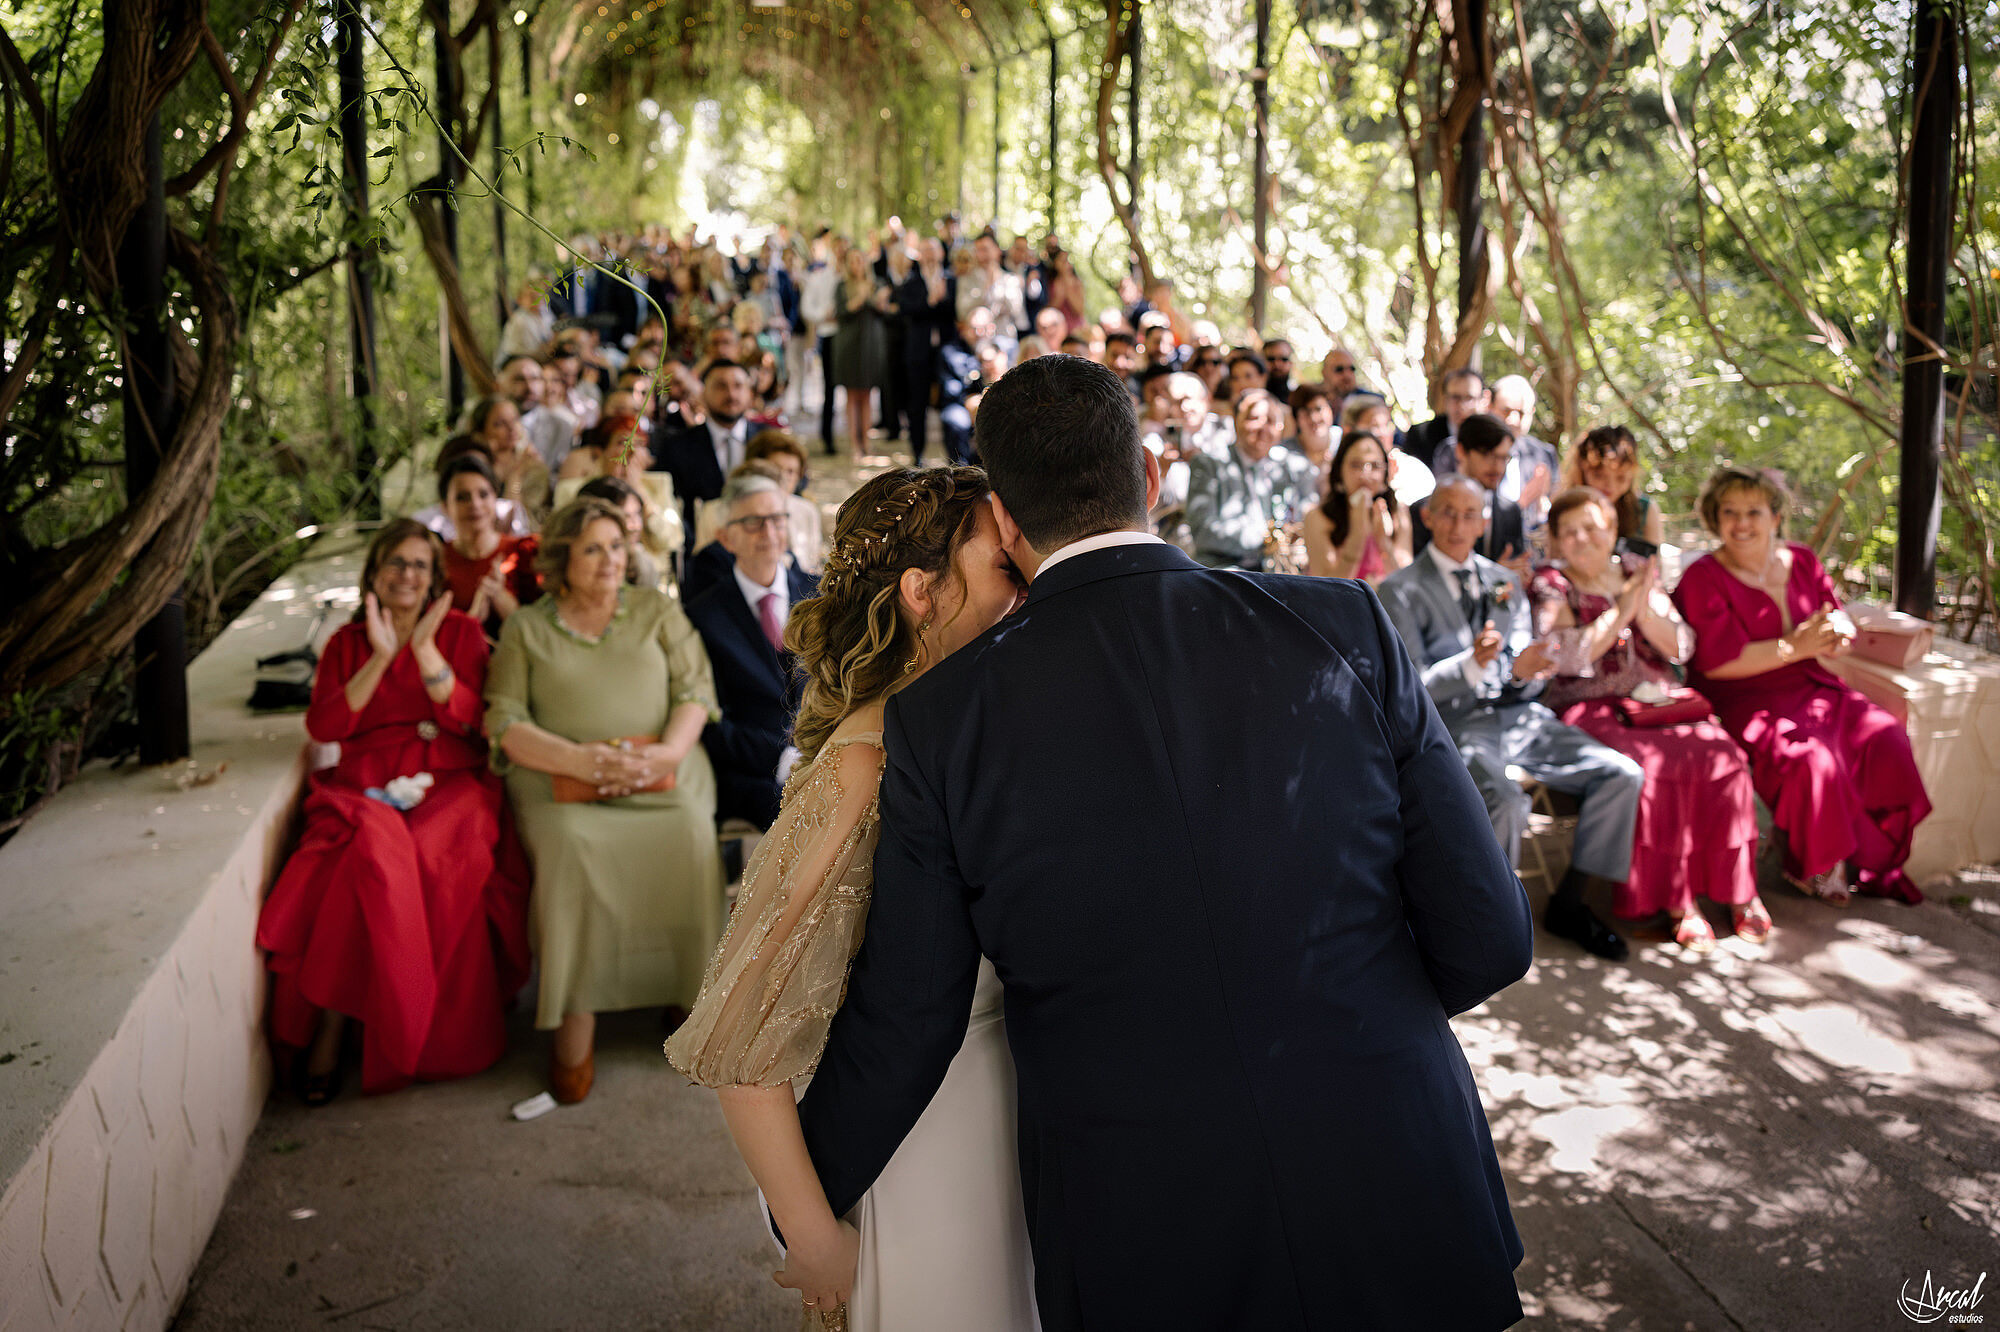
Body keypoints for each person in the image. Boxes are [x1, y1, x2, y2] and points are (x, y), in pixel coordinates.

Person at [793, 356, 1532, 1330]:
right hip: (1397, 1164)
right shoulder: (1340, 624)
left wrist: (796, 1205)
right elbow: (1488, 936)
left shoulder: (938, 722)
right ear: (1148, 473)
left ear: (1007, 524)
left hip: (1139, 1222)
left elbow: (907, 1018)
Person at [257, 521, 530, 1101]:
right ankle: (336, 1025)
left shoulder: (459, 632)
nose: (407, 575)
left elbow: (476, 721)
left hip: (453, 779)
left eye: (420, 566)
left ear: (434, 579)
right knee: (366, 857)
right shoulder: (348, 643)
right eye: (396, 563)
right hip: (364, 784)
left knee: (440, 857)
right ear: (375, 573)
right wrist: (382, 657)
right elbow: (327, 726)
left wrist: (427, 654)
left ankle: (407, 1034)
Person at [484, 498, 727, 1103]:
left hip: (660, 773)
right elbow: (504, 719)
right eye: (592, 548)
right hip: (561, 784)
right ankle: (577, 1019)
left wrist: (665, 755)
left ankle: (685, 994)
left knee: (691, 833)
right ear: (562, 558)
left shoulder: (656, 610)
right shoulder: (526, 628)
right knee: (571, 850)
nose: (609, 561)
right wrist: (580, 761)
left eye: (617, 547)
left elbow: (696, 689)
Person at [1381, 473, 1645, 961]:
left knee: (1622, 774)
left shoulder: (1502, 581)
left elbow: (1527, 663)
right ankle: (1488, 927)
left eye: (1470, 514)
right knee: (1501, 797)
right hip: (1454, 723)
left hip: (1521, 717)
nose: (1459, 525)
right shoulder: (1399, 589)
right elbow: (1409, 687)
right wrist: (1469, 665)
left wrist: (1524, 673)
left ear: (1484, 520)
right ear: (1427, 517)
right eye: (1448, 512)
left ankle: (1571, 903)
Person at [1672, 466, 1931, 904]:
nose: (1740, 523)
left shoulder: (1804, 560)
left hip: (1815, 687)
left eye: (1753, 511)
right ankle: (1814, 863)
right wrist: (1795, 645)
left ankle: (1867, 859)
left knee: (1884, 736)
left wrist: (1839, 636)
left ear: (1775, 517)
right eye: (1728, 512)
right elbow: (1717, 663)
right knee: (1812, 759)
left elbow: (1833, 621)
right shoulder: (1702, 577)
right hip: (1746, 696)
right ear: (1715, 520)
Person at [1530, 488, 1768, 949]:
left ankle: (1741, 891)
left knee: (1725, 756)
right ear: (1556, 541)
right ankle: (1678, 902)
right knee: (1656, 770)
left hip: (1659, 699)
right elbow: (1566, 657)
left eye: (1593, 527)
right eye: (1570, 531)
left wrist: (1642, 605)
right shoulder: (1551, 585)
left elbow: (1681, 645)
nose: (1583, 539)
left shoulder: (1638, 573)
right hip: (1589, 703)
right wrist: (1623, 611)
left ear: (1613, 530)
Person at [684, 472, 823, 831]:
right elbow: (710, 721)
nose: (769, 532)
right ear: (725, 537)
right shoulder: (700, 618)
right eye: (752, 522)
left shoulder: (819, 596)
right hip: (750, 773)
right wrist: (781, 758)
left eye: (777, 519)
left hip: (827, 755)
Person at [1185, 389, 1319, 570]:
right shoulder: (1209, 464)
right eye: (1254, 418)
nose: (1263, 428)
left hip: (1283, 572)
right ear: (1236, 422)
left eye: (1271, 421)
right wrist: (1267, 539)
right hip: (1226, 570)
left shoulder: (1296, 468)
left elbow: (1309, 520)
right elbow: (1203, 531)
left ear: (1281, 429)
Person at [654, 358, 755, 560]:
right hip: (701, 555)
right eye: (721, 386)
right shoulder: (677, 447)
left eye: (738, 386)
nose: (731, 394)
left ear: (750, 393)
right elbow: (670, 504)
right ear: (703, 392)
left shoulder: (769, 441)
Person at [1410, 413, 1530, 577]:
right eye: (1487, 455)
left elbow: (1517, 573)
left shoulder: (1510, 512)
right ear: (1461, 451)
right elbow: (1418, 576)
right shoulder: (1424, 510)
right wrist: (1492, 576)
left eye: (1504, 458)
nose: (1497, 467)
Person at [438, 454, 542, 640]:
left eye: (483, 494)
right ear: (445, 507)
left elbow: (540, 631)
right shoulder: (436, 560)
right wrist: (471, 620)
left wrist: (499, 596)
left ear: (495, 498)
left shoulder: (523, 552)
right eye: (462, 497)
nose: (475, 504)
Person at [1303, 430, 1412, 583]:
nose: (1365, 474)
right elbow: (1329, 588)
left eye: (1375, 466)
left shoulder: (1397, 511)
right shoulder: (1317, 517)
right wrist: (1357, 533)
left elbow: (1405, 583)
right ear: (1340, 472)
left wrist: (1384, 544)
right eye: (1356, 465)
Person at [1564, 424, 1666, 554]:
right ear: (1582, 470)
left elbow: (1655, 565)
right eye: (1599, 476)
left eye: (1621, 478)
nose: (1610, 486)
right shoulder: (1566, 509)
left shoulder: (1645, 509)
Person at [832, 247, 894, 457]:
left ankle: (867, 441)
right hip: (849, 345)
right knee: (852, 395)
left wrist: (880, 300)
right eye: (852, 261)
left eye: (859, 260)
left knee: (868, 395)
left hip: (871, 346)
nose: (856, 264)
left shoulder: (876, 284)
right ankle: (854, 444)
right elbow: (840, 312)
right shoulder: (841, 286)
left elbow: (883, 312)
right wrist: (859, 298)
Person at [468, 394, 552, 525]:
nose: (512, 428)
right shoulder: (472, 467)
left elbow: (517, 520)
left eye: (515, 420)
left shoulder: (533, 466)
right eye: (500, 424)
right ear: (481, 432)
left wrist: (516, 475)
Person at [1488, 375, 1557, 532]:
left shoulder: (1544, 454)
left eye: (1521, 413)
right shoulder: (1472, 451)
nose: (1513, 420)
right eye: (1506, 411)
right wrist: (1524, 501)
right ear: (1490, 406)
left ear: (1531, 413)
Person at [1344, 393, 1434, 507]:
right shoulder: (1337, 471)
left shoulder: (1413, 470)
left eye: (1387, 425)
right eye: (1374, 426)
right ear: (1349, 431)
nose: (1383, 433)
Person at [1408, 367, 1490, 468]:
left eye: (1469, 398)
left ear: (1483, 399)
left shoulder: (1492, 437)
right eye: (1455, 398)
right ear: (1445, 399)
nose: (1462, 406)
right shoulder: (1421, 436)